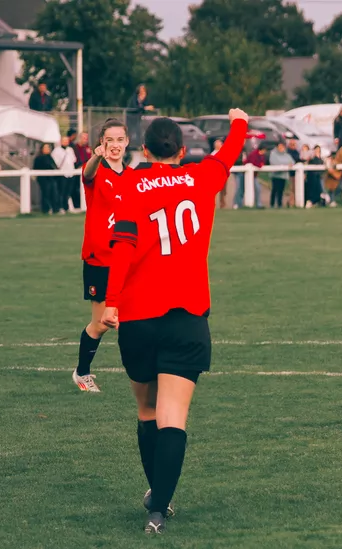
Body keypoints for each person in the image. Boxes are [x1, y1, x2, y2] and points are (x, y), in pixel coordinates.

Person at [101, 109, 248, 534]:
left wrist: (111, 301)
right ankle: (158, 508)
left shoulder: (131, 183)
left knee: (148, 410)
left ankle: (157, 497)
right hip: (187, 316)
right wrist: (238, 121)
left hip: (139, 316)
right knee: (173, 416)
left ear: (144, 150)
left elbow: (123, 246)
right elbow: (228, 155)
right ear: (183, 151)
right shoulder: (201, 177)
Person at [73, 118, 132, 392]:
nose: (115, 145)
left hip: (126, 259)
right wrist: (95, 158)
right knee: (101, 323)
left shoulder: (132, 176)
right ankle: (82, 373)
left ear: (127, 142)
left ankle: (145, 369)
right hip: (99, 259)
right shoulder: (97, 171)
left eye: (120, 140)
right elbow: (87, 172)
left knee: (133, 316)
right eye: (109, 140)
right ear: (101, 143)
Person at [52, 134, 78, 213]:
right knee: (61, 191)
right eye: (64, 141)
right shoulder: (56, 150)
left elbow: (73, 160)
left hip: (71, 173)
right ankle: (60, 207)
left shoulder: (70, 149)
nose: (66, 142)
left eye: (67, 141)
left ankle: (66, 207)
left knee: (68, 191)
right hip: (62, 173)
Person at [126, 84, 156, 149]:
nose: (143, 93)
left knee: (138, 131)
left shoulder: (144, 99)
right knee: (129, 132)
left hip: (137, 118)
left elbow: (143, 108)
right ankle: (127, 147)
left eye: (144, 91)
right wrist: (145, 108)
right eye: (141, 91)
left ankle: (138, 146)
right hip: (130, 117)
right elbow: (136, 107)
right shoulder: (134, 98)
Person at [33, 143, 60, 214]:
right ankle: (46, 209)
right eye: (45, 148)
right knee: (45, 194)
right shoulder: (38, 158)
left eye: (48, 148)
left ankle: (55, 209)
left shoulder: (50, 157)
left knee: (54, 194)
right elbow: (35, 168)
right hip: (43, 179)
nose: (47, 149)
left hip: (51, 179)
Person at [269, 142, 293, 208]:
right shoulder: (273, 154)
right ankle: (272, 204)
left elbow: (292, 162)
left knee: (281, 191)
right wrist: (285, 165)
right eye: (280, 147)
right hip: (275, 175)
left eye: (282, 147)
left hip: (283, 176)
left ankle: (279, 204)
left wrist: (288, 164)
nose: (281, 148)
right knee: (275, 190)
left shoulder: (287, 155)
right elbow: (274, 163)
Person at [73, 132, 93, 210]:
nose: (86, 140)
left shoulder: (88, 148)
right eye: (84, 138)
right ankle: (77, 205)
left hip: (87, 171)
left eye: (86, 138)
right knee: (76, 189)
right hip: (77, 171)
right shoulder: (75, 148)